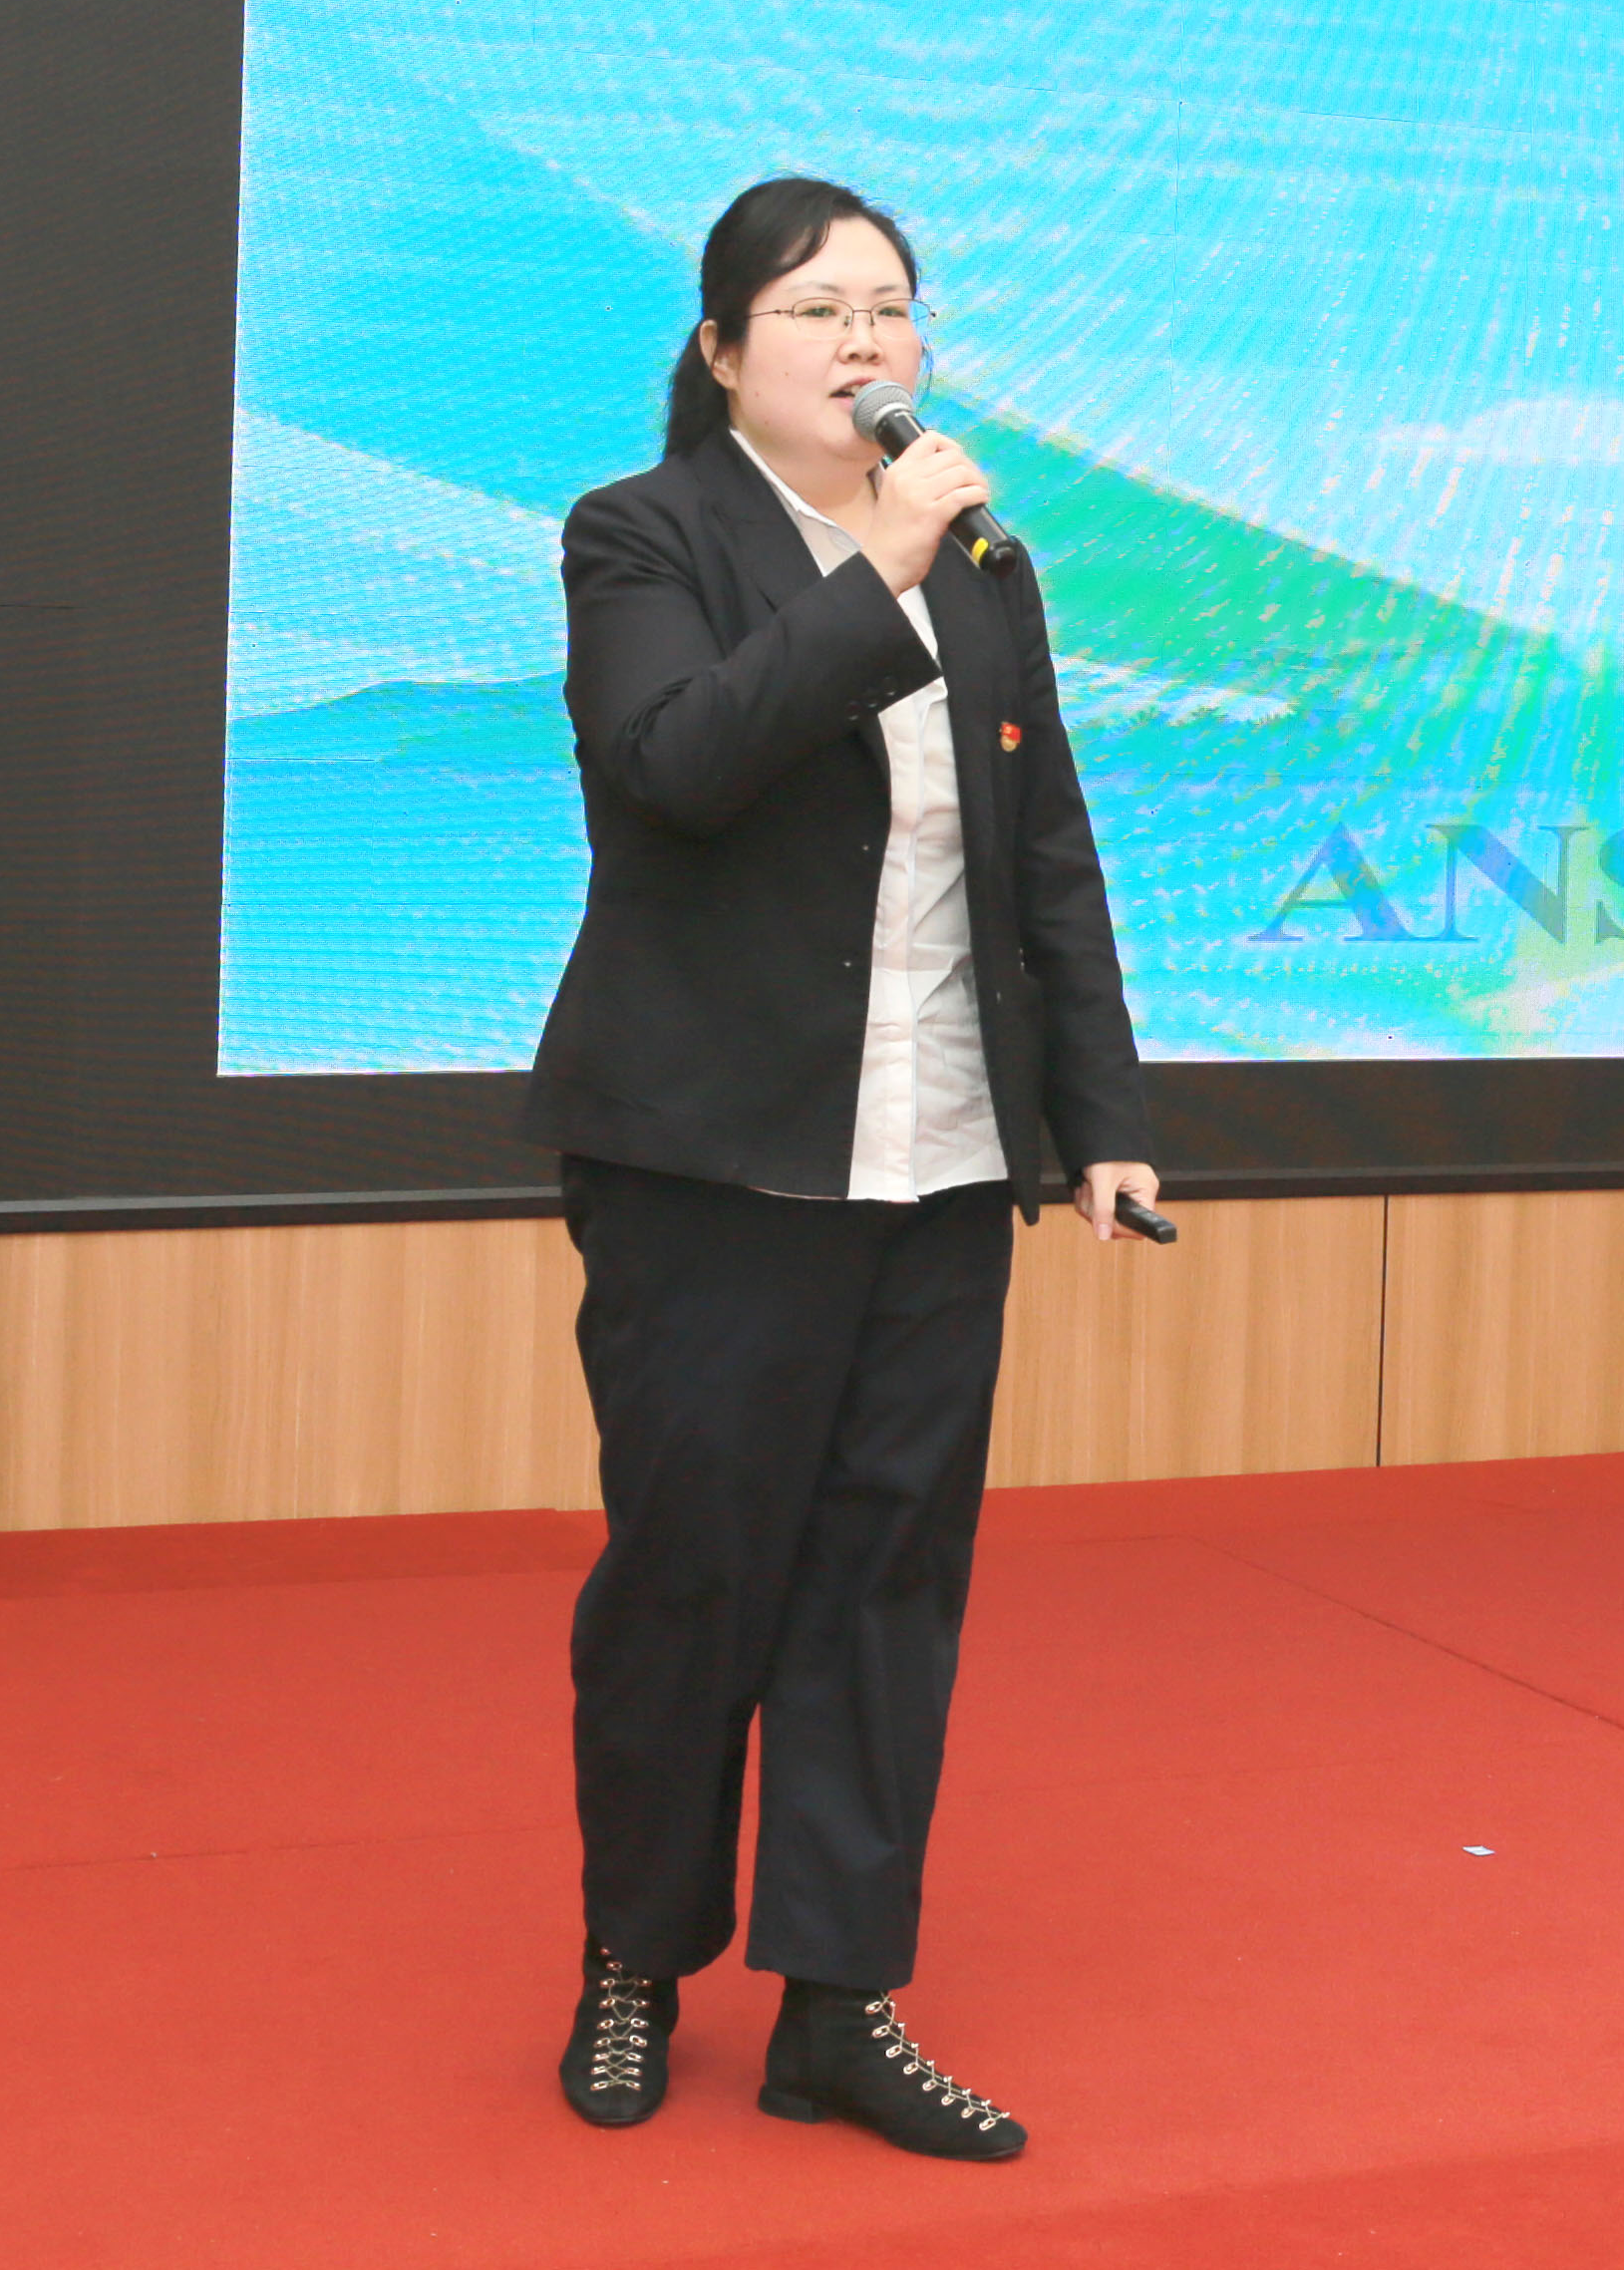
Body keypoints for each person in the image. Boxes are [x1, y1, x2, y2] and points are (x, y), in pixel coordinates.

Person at [523, 174, 1162, 2164]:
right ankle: (635, 1959)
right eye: (816, 309)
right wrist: (870, 574)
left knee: (889, 1582)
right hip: (714, 1164)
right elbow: (678, 767)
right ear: (723, 353)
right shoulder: (644, 535)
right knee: (692, 1578)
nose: (867, 339)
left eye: (892, 305)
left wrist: (1100, 1114)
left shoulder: (983, 567)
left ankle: (837, 2004)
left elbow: (1045, 855)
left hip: (941, 1158)